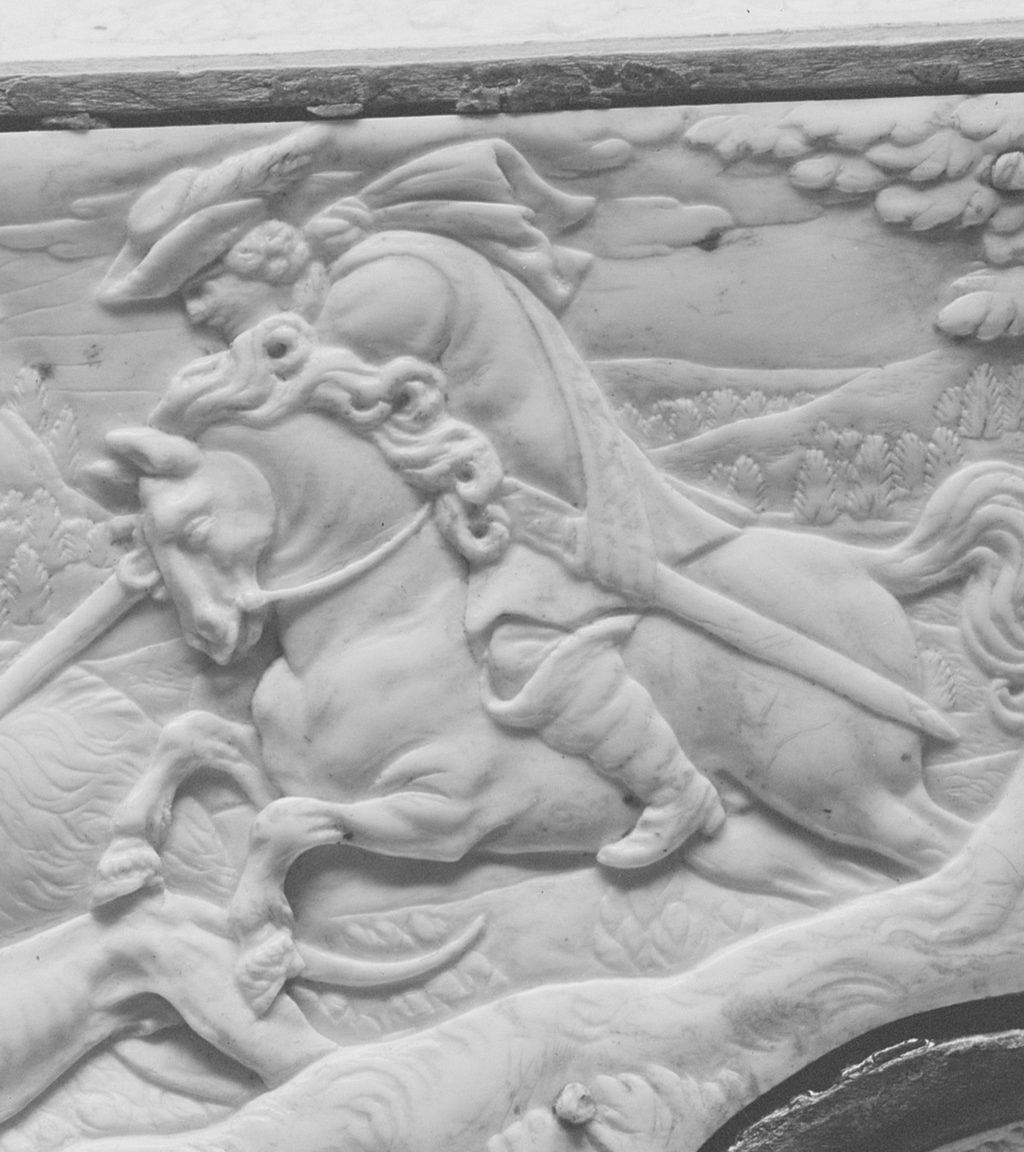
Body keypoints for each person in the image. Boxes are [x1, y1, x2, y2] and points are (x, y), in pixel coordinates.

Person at [101, 131, 730, 871]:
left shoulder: (376, 291)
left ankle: (672, 786)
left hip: (534, 490)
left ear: (260, 259)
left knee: (526, 637)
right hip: (466, 488)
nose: (197, 311)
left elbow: (324, 414)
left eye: (202, 284)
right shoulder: (312, 325)